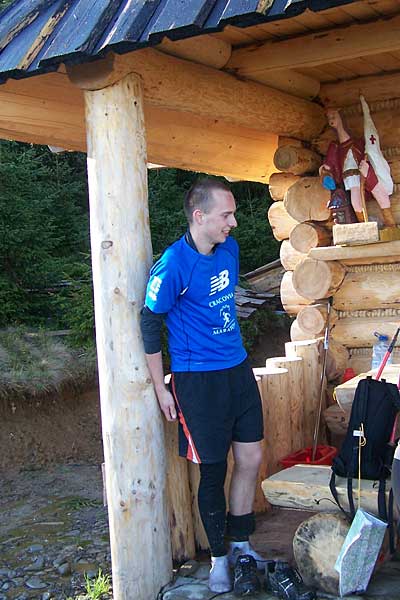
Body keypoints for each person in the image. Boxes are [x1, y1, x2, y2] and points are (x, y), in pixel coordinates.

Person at [140, 178, 265, 595]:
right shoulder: (173, 264)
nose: (233, 222)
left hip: (238, 370)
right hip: (198, 380)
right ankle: (218, 558)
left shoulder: (229, 250)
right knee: (213, 471)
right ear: (200, 216)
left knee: (250, 457)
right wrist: (161, 388)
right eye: (226, 215)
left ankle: (242, 543)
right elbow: (149, 321)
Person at [320, 108, 396, 227]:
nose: (331, 120)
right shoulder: (335, 147)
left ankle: (390, 222)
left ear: (340, 116)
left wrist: (367, 168)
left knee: (379, 192)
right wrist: (326, 174)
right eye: (329, 118)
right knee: (356, 202)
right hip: (350, 178)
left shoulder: (358, 142)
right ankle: (364, 225)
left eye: (333, 116)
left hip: (365, 172)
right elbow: (328, 166)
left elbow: (370, 153)